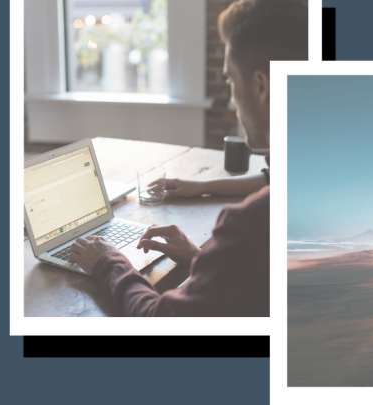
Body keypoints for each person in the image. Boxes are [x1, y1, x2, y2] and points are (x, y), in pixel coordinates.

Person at [67, 0, 308, 316]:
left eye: (231, 80)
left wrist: (107, 262)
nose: (232, 101)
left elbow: (157, 320)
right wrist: (203, 259)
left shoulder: (251, 224)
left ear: (262, 86)